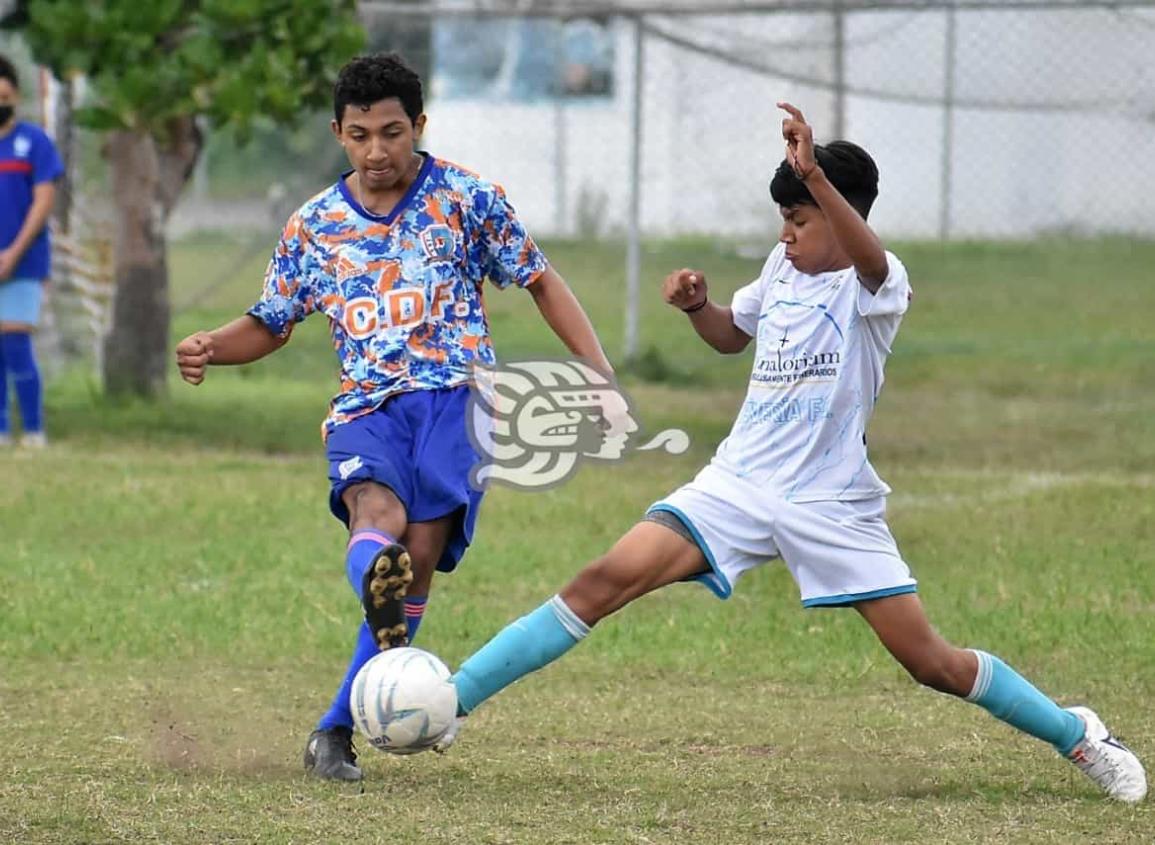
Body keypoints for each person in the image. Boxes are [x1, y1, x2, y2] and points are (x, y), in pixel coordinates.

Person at [435, 103, 1147, 803]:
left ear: (842, 217)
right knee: (600, 580)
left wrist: (816, 175)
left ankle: (1076, 733)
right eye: (783, 219)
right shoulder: (780, 270)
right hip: (737, 484)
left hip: (829, 501)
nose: (786, 234)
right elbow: (729, 336)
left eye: (799, 219)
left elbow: (865, 254)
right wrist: (695, 308)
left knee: (931, 663)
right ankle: (447, 703)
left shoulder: (876, 282)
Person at [173, 53, 612, 782]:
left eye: (391, 131)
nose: (377, 151)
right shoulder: (314, 226)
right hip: (366, 407)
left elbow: (540, 279)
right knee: (375, 518)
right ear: (337, 134)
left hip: (457, 402)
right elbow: (272, 321)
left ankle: (334, 729)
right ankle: (375, 582)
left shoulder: (468, 199)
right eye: (359, 135)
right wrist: (213, 345)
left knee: (423, 552)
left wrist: (596, 371)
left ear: (419, 126)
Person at [0, 54, 63, 448]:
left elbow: (43, 202)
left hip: (22, 263)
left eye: (4, 96)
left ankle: (34, 430)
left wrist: (11, 253)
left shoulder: (34, 143)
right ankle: (2, 431)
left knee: (16, 342)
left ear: (16, 96)